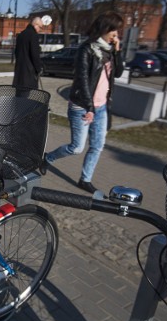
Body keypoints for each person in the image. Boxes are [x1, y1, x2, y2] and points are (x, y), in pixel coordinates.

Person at [45, 11, 124, 194]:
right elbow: (81, 79)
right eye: (114, 30)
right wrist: (89, 107)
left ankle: (85, 179)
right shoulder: (86, 49)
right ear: (105, 28)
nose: (116, 34)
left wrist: (118, 52)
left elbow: (118, 73)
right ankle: (48, 158)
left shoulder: (109, 50)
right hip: (82, 106)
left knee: (97, 146)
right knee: (76, 147)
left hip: (102, 107)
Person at [12, 17, 44, 89]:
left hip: (19, 71)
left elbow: (16, 52)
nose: (40, 30)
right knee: (26, 97)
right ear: (35, 25)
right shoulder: (33, 35)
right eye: (40, 27)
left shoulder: (21, 34)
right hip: (29, 73)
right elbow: (35, 55)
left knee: (19, 96)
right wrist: (39, 69)